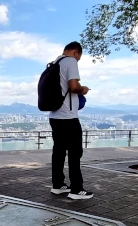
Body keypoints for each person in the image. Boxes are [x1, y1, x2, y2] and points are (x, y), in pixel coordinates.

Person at [48, 41, 93, 200]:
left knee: (58, 152)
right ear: (76, 52)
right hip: (69, 117)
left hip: (55, 116)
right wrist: (83, 89)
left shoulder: (55, 63)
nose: (78, 60)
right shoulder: (70, 61)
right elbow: (73, 86)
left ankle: (58, 185)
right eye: (79, 57)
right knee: (75, 153)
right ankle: (76, 189)